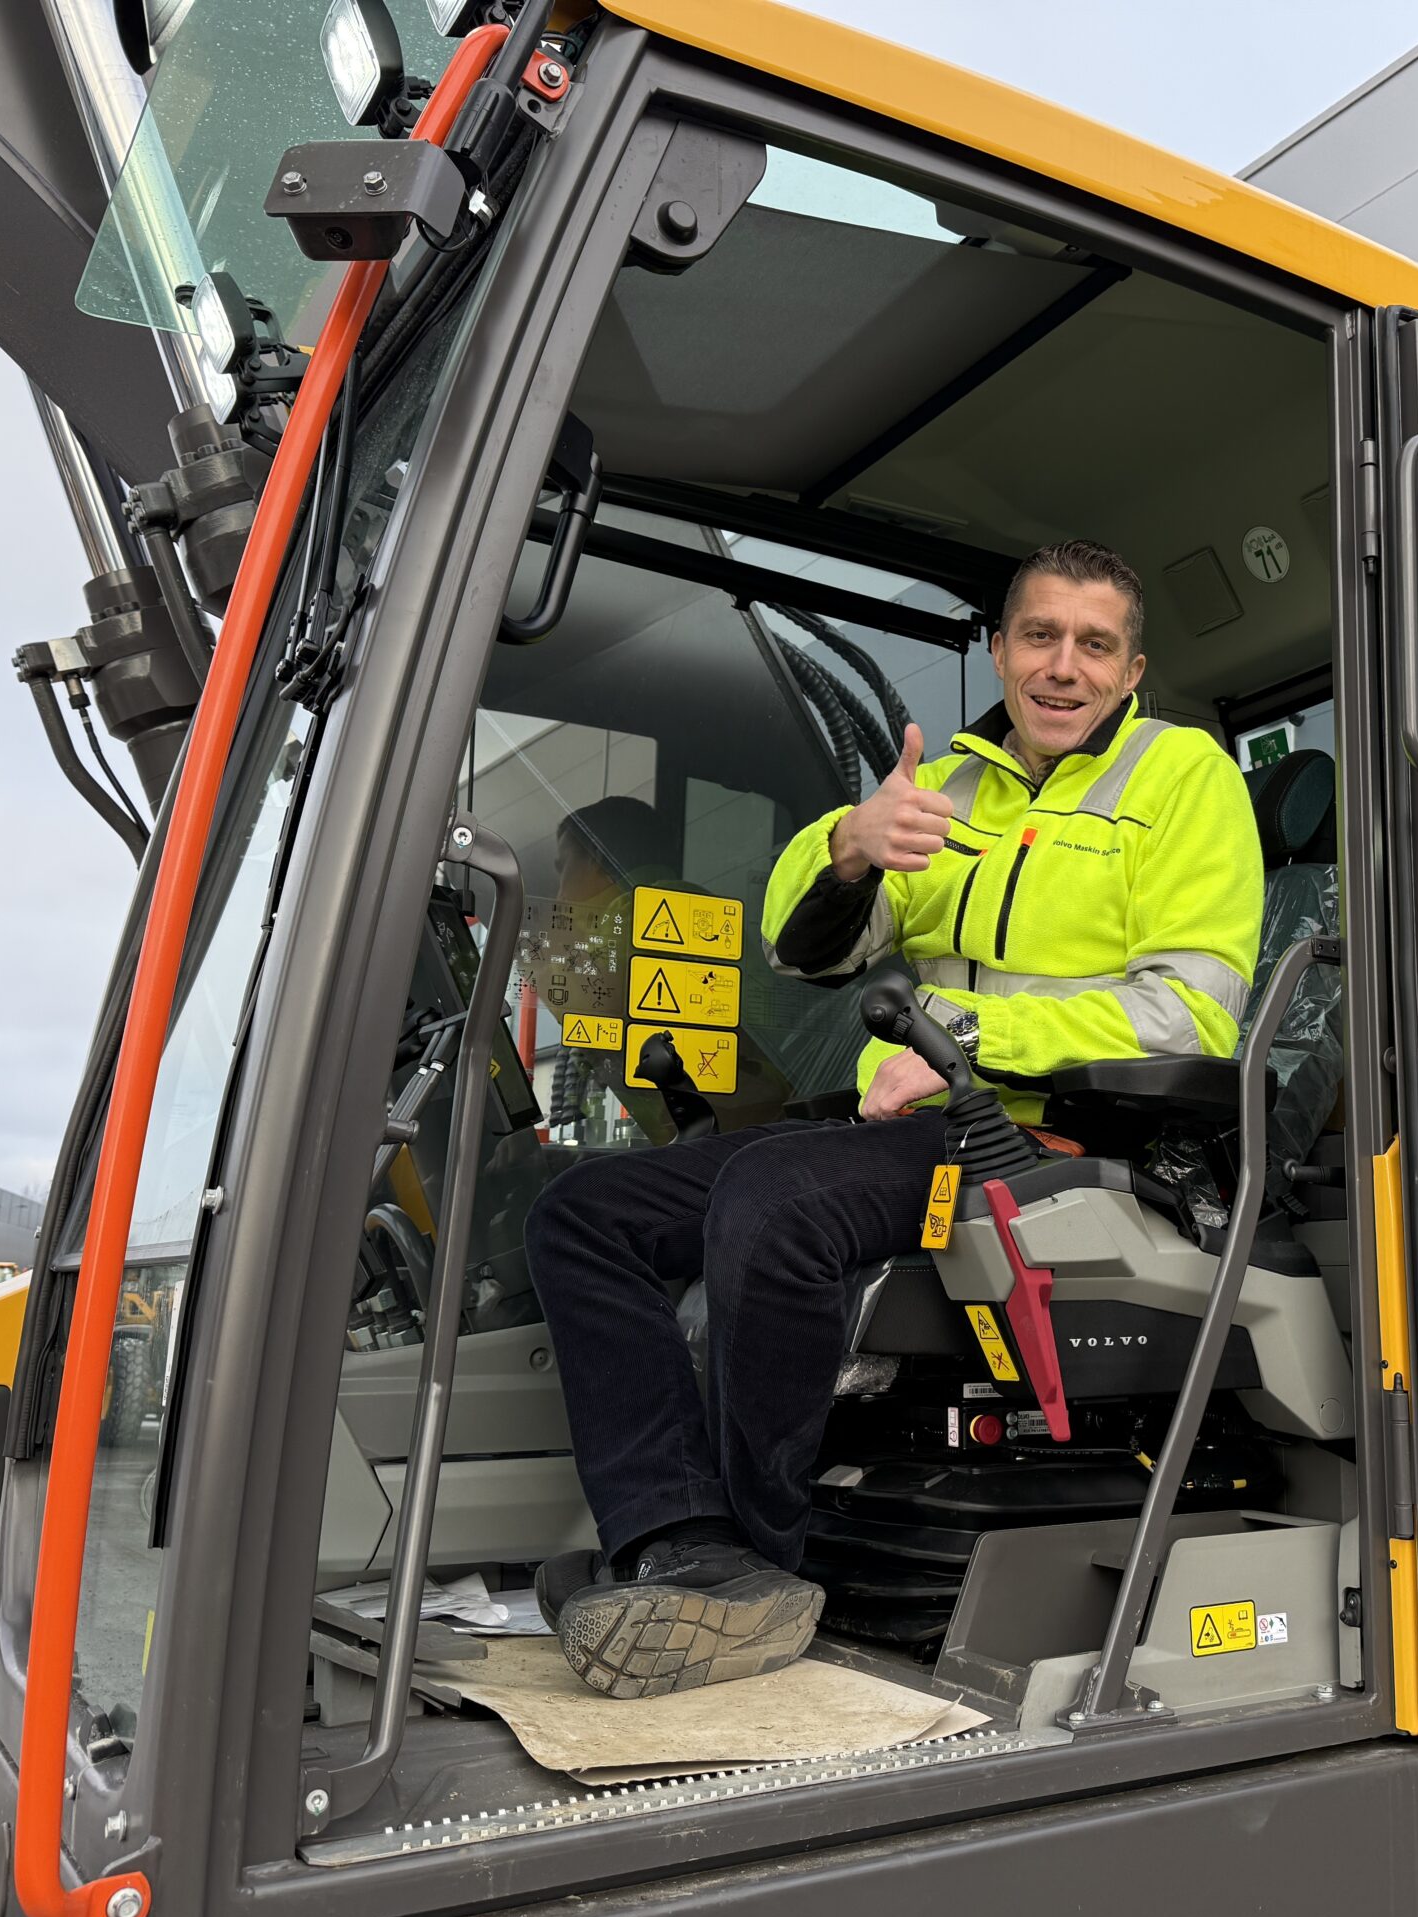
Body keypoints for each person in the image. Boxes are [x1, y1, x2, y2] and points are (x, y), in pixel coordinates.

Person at [523, 539, 1263, 1697]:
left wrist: (964, 1040)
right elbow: (804, 950)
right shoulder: (947, 788)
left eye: (1094, 646)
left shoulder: (1183, 780)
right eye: (1038, 637)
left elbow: (1190, 1013)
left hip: (1064, 1136)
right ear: (1001, 648)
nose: (1062, 667)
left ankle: (754, 1570)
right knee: (585, 1211)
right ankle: (680, 1538)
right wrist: (848, 851)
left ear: (1131, 671)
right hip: (917, 1119)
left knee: (775, 1205)